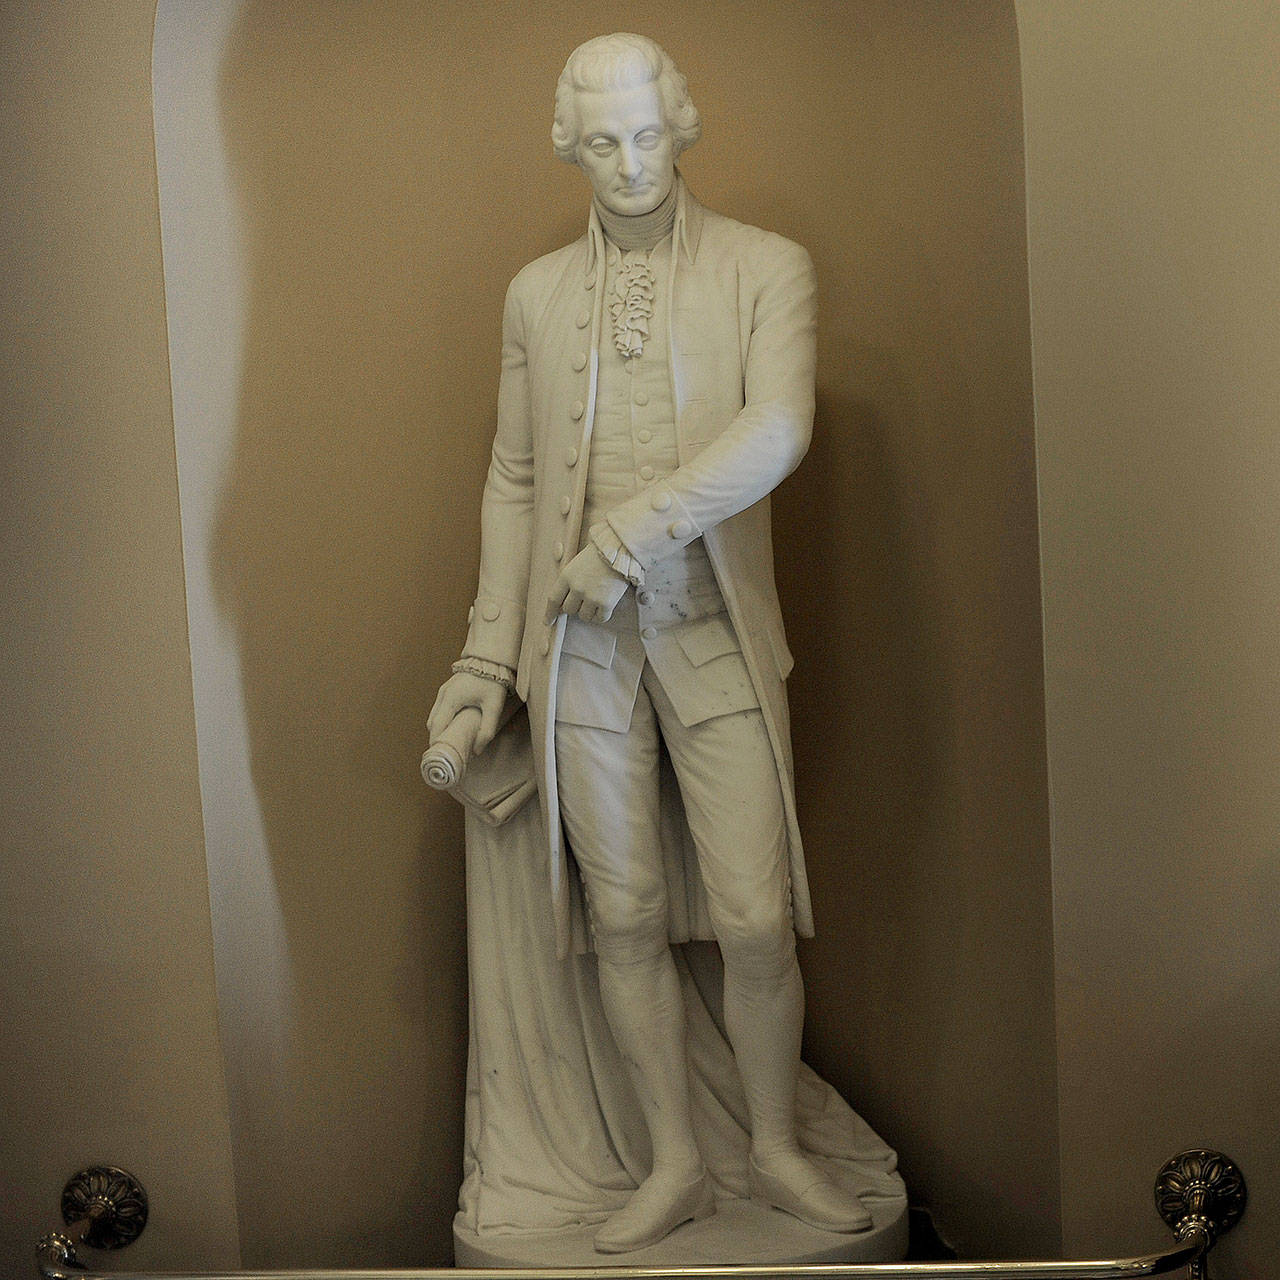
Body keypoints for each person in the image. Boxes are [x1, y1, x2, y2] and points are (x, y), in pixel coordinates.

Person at [428, 32, 870, 1254]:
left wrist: (627, 535)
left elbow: (776, 427)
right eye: (603, 141)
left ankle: (772, 1146)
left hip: (709, 623)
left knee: (749, 911)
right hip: (572, 648)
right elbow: (514, 479)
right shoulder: (534, 293)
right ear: (571, 142)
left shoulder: (764, 267)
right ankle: (676, 1160)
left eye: (647, 135)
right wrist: (482, 656)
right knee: (619, 914)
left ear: (679, 125)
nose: (628, 163)